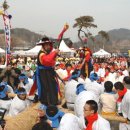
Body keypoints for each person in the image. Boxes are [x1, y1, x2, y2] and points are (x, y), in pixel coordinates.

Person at [30, 36, 59, 106]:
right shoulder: (41, 53)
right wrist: (54, 53)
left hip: (48, 72)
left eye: (49, 45)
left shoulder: (47, 53)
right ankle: (48, 103)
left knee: (52, 86)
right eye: (46, 45)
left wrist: (54, 55)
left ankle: (53, 102)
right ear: (43, 45)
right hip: (44, 73)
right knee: (47, 88)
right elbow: (47, 60)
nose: (48, 46)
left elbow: (51, 62)